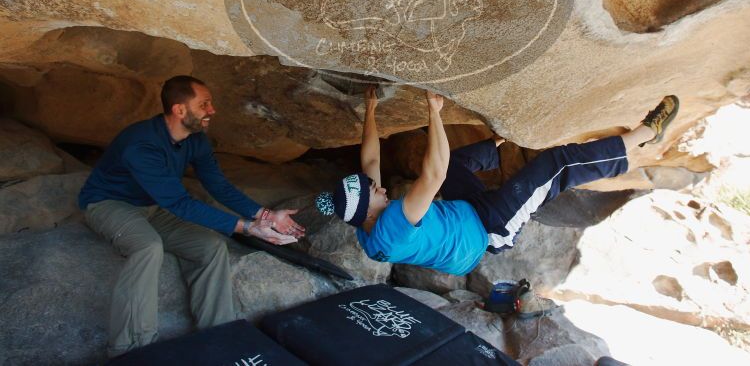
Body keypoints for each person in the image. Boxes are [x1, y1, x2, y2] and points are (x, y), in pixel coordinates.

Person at [316, 86, 679, 276]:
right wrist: (434, 111)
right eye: (374, 191)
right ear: (369, 211)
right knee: (556, 164)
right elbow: (433, 173)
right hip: (488, 230)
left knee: (456, 163)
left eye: (372, 185)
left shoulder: (365, 218)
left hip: (463, 214)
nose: (379, 187)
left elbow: (371, 159)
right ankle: (643, 135)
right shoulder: (391, 228)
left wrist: (372, 109)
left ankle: (496, 146)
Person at [78, 75, 305, 357]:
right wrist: (247, 228)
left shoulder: (195, 140)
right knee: (148, 247)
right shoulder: (141, 143)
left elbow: (217, 185)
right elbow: (180, 203)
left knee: (211, 247)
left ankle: (220, 335)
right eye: (204, 104)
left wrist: (265, 216)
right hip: (110, 204)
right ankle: (132, 349)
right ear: (179, 109)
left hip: (155, 207)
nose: (212, 110)